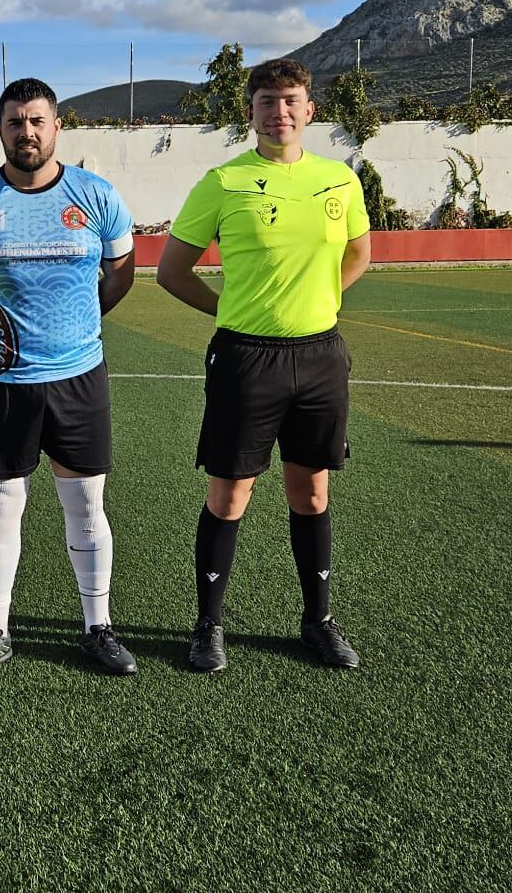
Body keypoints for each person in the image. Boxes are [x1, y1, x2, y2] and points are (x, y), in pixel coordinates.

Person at [155, 57, 372, 672]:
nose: (280, 111)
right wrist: (228, 310)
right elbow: (172, 271)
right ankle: (208, 626)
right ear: (248, 112)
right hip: (247, 359)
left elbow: (359, 251)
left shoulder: (339, 181)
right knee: (230, 495)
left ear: (309, 109)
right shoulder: (223, 182)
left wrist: (324, 300)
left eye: (291, 100)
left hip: (321, 355)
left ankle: (319, 620)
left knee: (313, 491)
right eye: (267, 101)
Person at [0, 78, 138, 679]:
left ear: (56, 127)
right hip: (0, 379)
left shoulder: (96, 194)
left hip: (78, 374)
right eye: (15, 122)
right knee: (1, 503)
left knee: (86, 502)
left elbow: (120, 270)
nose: (27, 132)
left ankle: (96, 627)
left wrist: (81, 322)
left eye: (37, 121)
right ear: (0, 129)